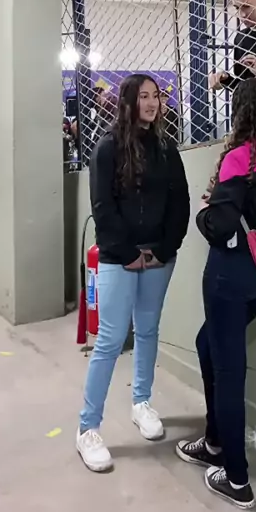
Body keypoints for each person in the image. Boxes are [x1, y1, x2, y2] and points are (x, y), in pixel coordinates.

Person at [176, 78, 256, 509]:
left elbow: (220, 227)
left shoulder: (241, 159)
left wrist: (203, 211)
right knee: (206, 344)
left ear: (239, 114)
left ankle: (236, 479)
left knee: (229, 373)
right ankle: (215, 440)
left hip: (230, 277)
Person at [76, 73, 190, 472]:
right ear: (128, 101)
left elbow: (180, 201)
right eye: (143, 96)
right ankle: (87, 428)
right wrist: (127, 254)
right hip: (118, 258)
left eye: (156, 96)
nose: (152, 103)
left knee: (148, 330)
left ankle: (141, 403)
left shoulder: (166, 147)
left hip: (158, 257)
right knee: (109, 340)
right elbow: (103, 206)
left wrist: (164, 249)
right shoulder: (107, 148)